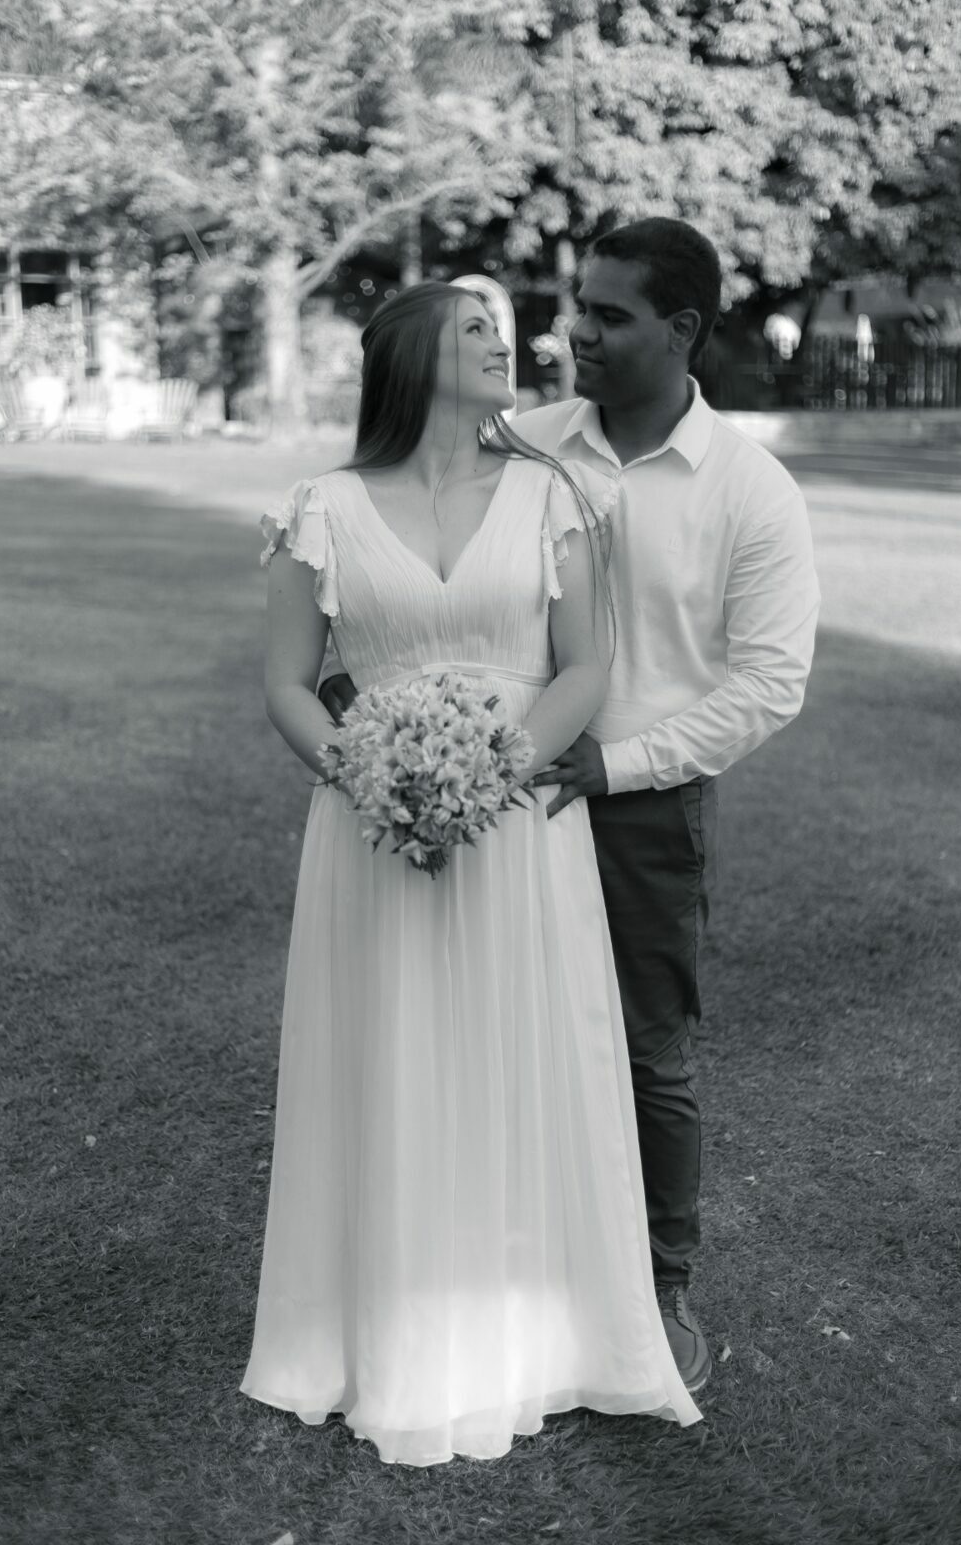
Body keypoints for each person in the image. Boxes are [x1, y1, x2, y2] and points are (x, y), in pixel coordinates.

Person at [321, 221, 821, 1393]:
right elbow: (407, 545)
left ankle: (659, 1288)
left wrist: (617, 763)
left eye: (606, 315)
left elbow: (769, 682)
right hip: (494, 797)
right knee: (489, 1029)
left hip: (641, 808)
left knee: (641, 1051)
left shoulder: (749, 490)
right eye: (575, 307)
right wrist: (375, 699)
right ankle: (500, 1273)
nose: (573, 332)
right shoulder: (525, 441)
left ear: (681, 330)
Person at [240, 281, 702, 1467]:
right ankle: (377, 1330)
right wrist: (367, 775)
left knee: (525, 1049)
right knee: (386, 1050)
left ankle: (539, 1334)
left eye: (504, 330)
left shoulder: (551, 498)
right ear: (412, 356)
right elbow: (289, 681)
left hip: (519, 820)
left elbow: (584, 666)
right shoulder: (320, 509)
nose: (509, 344)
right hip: (371, 825)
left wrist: (493, 770)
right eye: (477, 330)